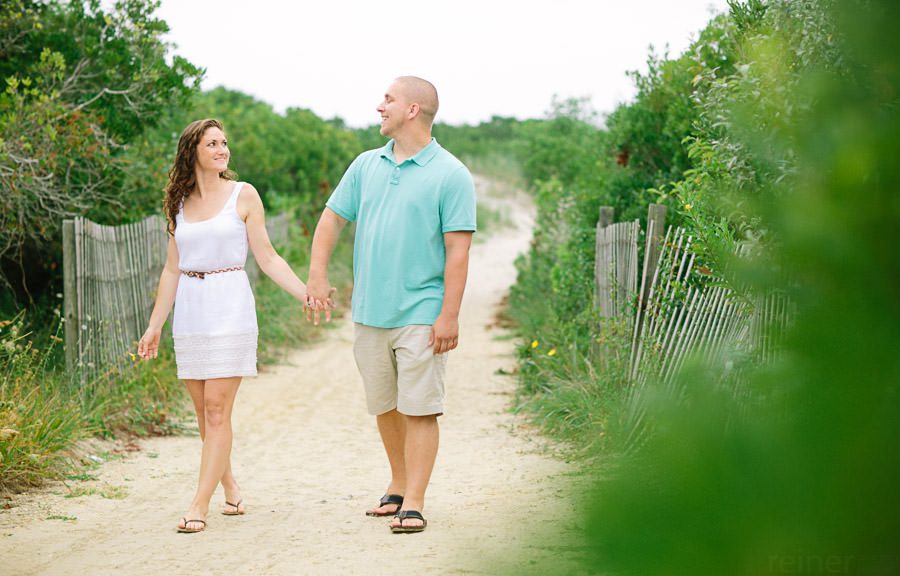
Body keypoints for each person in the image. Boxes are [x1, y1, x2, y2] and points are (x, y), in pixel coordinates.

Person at [306, 76, 476, 533]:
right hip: (369, 311)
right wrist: (317, 276)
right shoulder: (365, 165)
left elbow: (458, 251)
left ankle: (415, 502)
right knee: (385, 405)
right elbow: (331, 219)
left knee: (420, 407)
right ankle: (398, 485)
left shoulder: (451, 174)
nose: (380, 106)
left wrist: (449, 314)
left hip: (422, 310)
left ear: (414, 110)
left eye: (388, 99)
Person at [137, 118, 324, 533]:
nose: (222, 150)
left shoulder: (244, 195)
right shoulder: (179, 203)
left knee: (218, 411)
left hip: (230, 306)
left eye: (224, 143)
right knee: (204, 416)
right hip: (191, 308)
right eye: (212, 144)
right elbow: (172, 269)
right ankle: (231, 485)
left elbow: (269, 257)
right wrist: (154, 326)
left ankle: (198, 505)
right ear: (193, 152)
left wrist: (305, 292)